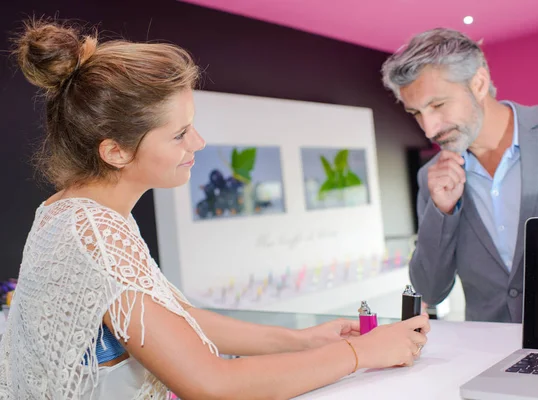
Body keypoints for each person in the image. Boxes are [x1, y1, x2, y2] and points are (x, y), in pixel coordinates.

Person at [0, 19, 430, 400]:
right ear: (115, 151)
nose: (198, 143)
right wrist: (360, 353)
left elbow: (170, 321)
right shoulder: (93, 231)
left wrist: (303, 340)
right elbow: (211, 384)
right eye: (179, 134)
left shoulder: (72, 213)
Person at [381, 28, 538, 323]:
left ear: (479, 83)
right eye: (416, 113)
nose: (429, 129)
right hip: (490, 355)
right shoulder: (430, 179)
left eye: (438, 105)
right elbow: (429, 291)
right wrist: (442, 211)